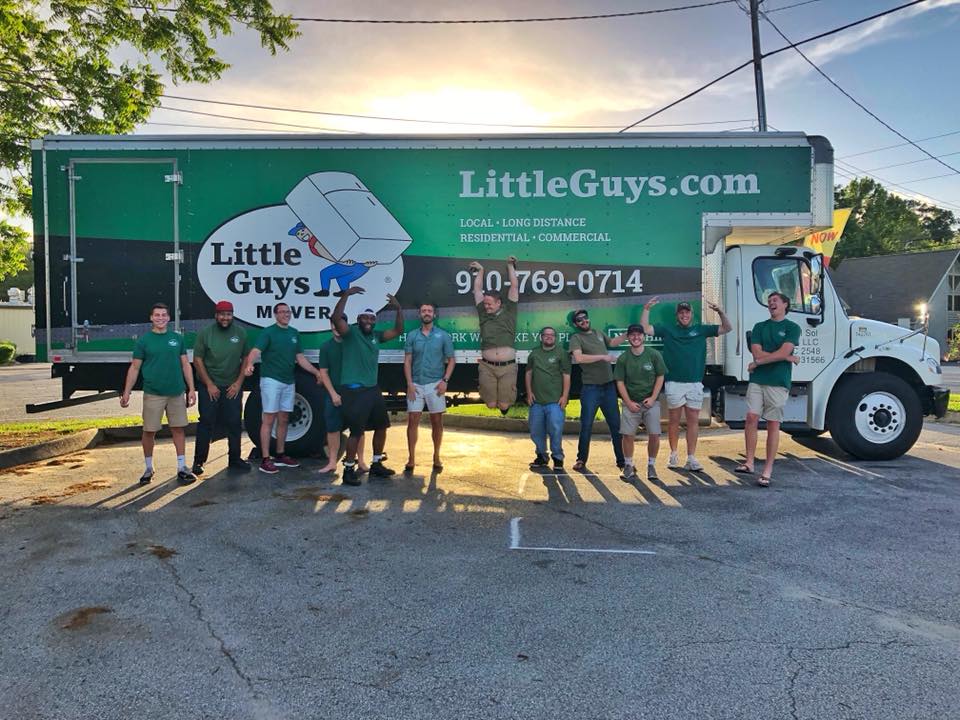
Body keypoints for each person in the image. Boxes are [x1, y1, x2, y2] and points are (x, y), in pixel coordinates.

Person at [641, 297, 732, 471]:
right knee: (674, 421)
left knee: (693, 421)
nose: (684, 315)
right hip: (674, 382)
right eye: (681, 313)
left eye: (687, 312)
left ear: (691, 314)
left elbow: (727, 328)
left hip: (695, 383)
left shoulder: (701, 330)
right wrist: (646, 308)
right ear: (677, 315)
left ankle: (691, 458)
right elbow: (645, 328)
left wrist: (720, 312)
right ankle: (673, 454)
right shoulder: (668, 329)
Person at [332, 288, 404, 486]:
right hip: (354, 390)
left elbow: (398, 331)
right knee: (357, 432)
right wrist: (346, 295)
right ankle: (348, 469)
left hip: (372, 389)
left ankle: (376, 464)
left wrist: (398, 309)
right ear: (359, 319)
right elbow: (336, 318)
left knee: (382, 426)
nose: (369, 322)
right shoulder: (351, 333)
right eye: (365, 318)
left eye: (372, 319)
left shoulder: (376, 336)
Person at [242, 302, 324, 475]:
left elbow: (300, 358)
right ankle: (266, 459)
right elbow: (255, 351)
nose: (286, 314)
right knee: (269, 419)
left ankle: (280, 455)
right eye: (282, 312)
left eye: (288, 311)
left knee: (284, 418)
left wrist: (316, 372)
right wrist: (249, 364)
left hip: (289, 381)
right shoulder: (268, 332)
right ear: (275, 314)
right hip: (271, 381)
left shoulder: (294, 334)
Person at [120, 302, 197, 485]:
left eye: (164, 315)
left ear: (169, 318)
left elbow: (185, 364)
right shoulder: (144, 341)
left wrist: (191, 389)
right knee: (149, 431)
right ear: (151, 318)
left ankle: (181, 467)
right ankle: (148, 467)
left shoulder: (177, 339)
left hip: (176, 392)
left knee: (178, 429)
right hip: (153, 393)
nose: (160, 318)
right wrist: (126, 392)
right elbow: (135, 367)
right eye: (157, 315)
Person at [735, 292, 801, 487]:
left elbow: (780, 351)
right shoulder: (759, 327)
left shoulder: (792, 327)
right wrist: (785, 357)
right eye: (769, 301)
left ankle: (768, 470)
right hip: (758, 380)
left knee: (773, 424)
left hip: (778, 382)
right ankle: (749, 462)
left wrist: (760, 362)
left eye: (775, 301)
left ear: (785, 305)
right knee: (751, 418)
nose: (771, 303)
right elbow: (757, 351)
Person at [191, 300, 252, 475]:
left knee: (234, 423)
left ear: (232, 316)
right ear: (216, 315)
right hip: (209, 386)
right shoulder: (206, 333)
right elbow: (198, 360)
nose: (225, 318)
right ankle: (199, 461)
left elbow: (246, 358)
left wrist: (238, 383)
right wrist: (209, 384)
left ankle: (235, 459)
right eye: (222, 314)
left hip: (232, 386)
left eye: (229, 314)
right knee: (206, 422)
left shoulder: (240, 333)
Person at [568, 309, 627, 472]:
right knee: (586, 425)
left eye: (585, 318)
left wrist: (626, 335)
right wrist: (602, 357)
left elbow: (613, 343)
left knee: (616, 426)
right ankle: (581, 459)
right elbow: (578, 358)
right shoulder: (576, 338)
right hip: (590, 389)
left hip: (608, 387)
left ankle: (622, 462)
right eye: (579, 320)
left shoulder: (598, 333)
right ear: (575, 324)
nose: (583, 321)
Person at [403, 302, 456, 473]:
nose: (426, 313)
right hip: (416, 384)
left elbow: (451, 360)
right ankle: (411, 458)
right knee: (412, 420)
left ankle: (436, 456)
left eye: (429, 311)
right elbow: (408, 361)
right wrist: (409, 383)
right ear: (419, 315)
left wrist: (445, 381)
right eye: (423, 311)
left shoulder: (443, 336)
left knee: (437, 421)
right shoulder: (412, 335)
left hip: (435, 384)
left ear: (434, 315)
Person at [316, 315, 369, 474]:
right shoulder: (326, 347)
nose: (336, 327)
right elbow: (324, 373)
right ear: (330, 326)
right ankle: (332, 462)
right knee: (333, 429)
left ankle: (361, 461)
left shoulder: (354, 345)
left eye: (339, 324)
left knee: (358, 429)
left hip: (354, 393)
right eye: (333, 324)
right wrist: (333, 394)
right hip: (334, 394)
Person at [614, 324, 667, 481]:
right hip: (631, 402)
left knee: (655, 434)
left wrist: (652, 398)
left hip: (651, 402)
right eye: (632, 335)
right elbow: (620, 382)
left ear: (644, 336)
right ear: (628, 337)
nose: (635, 337)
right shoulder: (623, 358)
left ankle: (651, 466)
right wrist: (628, 402)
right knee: (627, 435)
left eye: (639, 335)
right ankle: (628, 465)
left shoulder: (654, 354)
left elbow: (660, 376)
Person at [470, 256, 520, 415]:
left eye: (489, 304)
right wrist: (481, 271)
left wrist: (510, 266)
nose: (486, 306)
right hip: (487, 366)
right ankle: (494, 397)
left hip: (508, 367)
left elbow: (514, 286)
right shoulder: (483, 313)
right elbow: (477, 290)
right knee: (491, 405)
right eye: (485, 304)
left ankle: (505, 403)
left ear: (499, 303)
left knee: (504, 406)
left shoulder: (510, 311)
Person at [525, 326, 571, 472]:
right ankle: (541, 456)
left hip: (555, 401)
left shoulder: (561, 353)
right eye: (546, 335)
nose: (549, 337)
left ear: (555, 337)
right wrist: (529, 392)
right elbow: (528, 373)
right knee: (536, 431)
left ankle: (558, 458)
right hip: (537, 401)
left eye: (552, 335)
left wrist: (565, 396)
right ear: (541, 337)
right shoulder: (534, 353)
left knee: (555, 430)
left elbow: (566, 376)